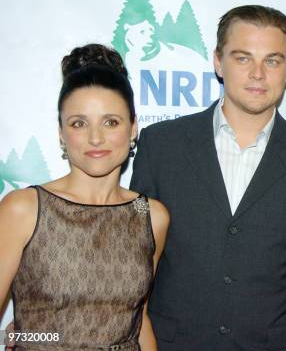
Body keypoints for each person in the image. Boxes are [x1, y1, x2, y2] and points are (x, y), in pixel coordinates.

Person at [130, 5, 286, 350]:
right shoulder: (161, 146)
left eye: (272, 60)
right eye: (243, 58)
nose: (258, 73)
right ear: (218, 61)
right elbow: (133, 264)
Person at [0, 44, 169, 350]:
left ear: (133, 128)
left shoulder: (151, 216)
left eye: (111, 122)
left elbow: (138, 319)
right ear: (62, 134)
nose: (95, 138)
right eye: (79, 123)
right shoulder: (23, 209)